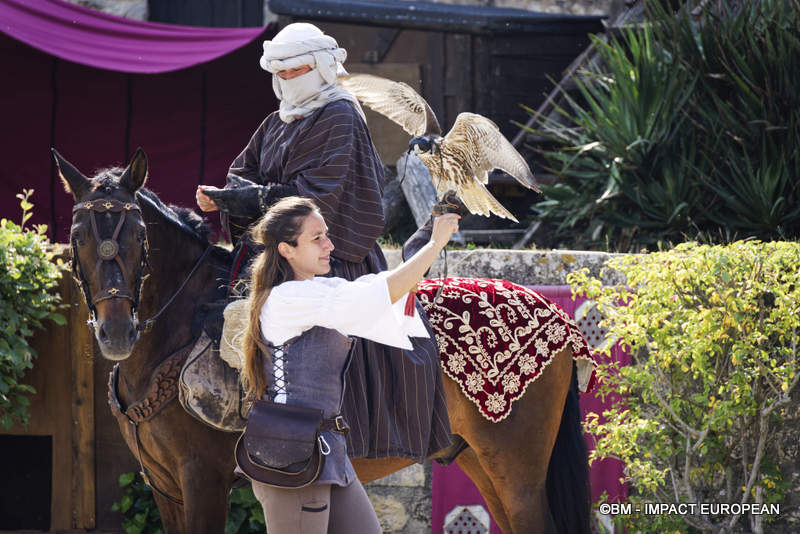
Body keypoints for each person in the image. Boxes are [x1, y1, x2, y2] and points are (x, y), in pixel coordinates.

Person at [196, 22, 453, 463]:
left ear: (319, 67)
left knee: (359, 351)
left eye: (295, 71)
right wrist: (234, 195)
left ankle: (349, 446)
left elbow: (311, 200)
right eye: (280, 73)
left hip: (332, 254)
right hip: (281, 256)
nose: (286, 82)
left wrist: (242, 198)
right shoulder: (275, 121)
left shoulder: (339, 113)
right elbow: (244, 170)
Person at [240, 197, 460, 533]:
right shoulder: (286, 298)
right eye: (316, 238)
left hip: (328, 448)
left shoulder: (319, 290)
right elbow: (373, 297)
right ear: (287, 250)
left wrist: (423, 240)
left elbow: (379, 293)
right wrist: (434, 244)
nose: (329, 244)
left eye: (326, 235)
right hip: (293, 453)